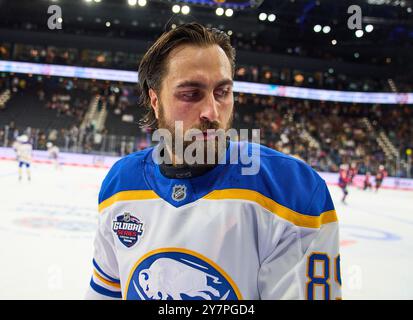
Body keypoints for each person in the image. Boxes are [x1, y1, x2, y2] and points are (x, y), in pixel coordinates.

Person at [85, 23, 341, 300]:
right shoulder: (120, 183)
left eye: (222, 92)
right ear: (155, 101)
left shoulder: (291, 191)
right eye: (191, 94)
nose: (212, 111)